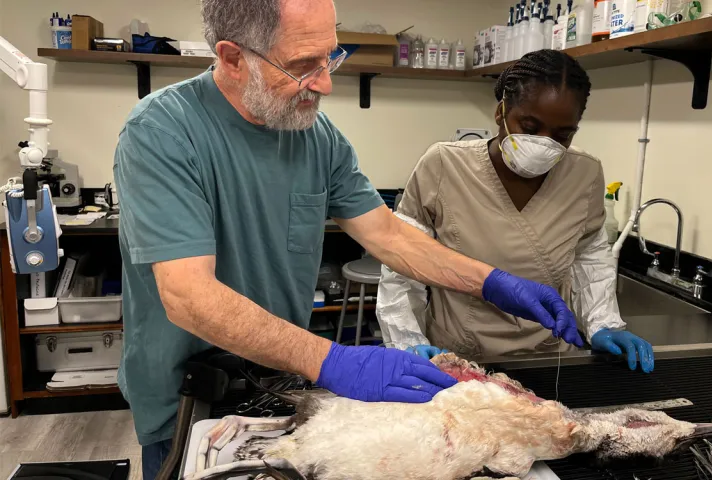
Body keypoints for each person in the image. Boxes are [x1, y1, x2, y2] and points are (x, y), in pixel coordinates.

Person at [113, 2, 584, 478]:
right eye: (302, 66)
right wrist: (335, 360)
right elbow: (189, 296)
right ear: (234, 58)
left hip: (281, 377)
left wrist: (492, 282)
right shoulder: (162, 132)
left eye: (330, 58)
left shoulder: (316, 136)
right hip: (189, 393)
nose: (325, 83)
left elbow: (388, 235)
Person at [376, 50, 655, 373]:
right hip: (458, 358)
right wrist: (407, 340)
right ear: (501, 112)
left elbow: (589, 254)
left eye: (563, 134)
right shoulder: (444, 165)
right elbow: (403, 262)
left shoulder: (584, 173)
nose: (544, 143)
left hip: (547, 356)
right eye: (530, 126)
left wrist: (603, 322)